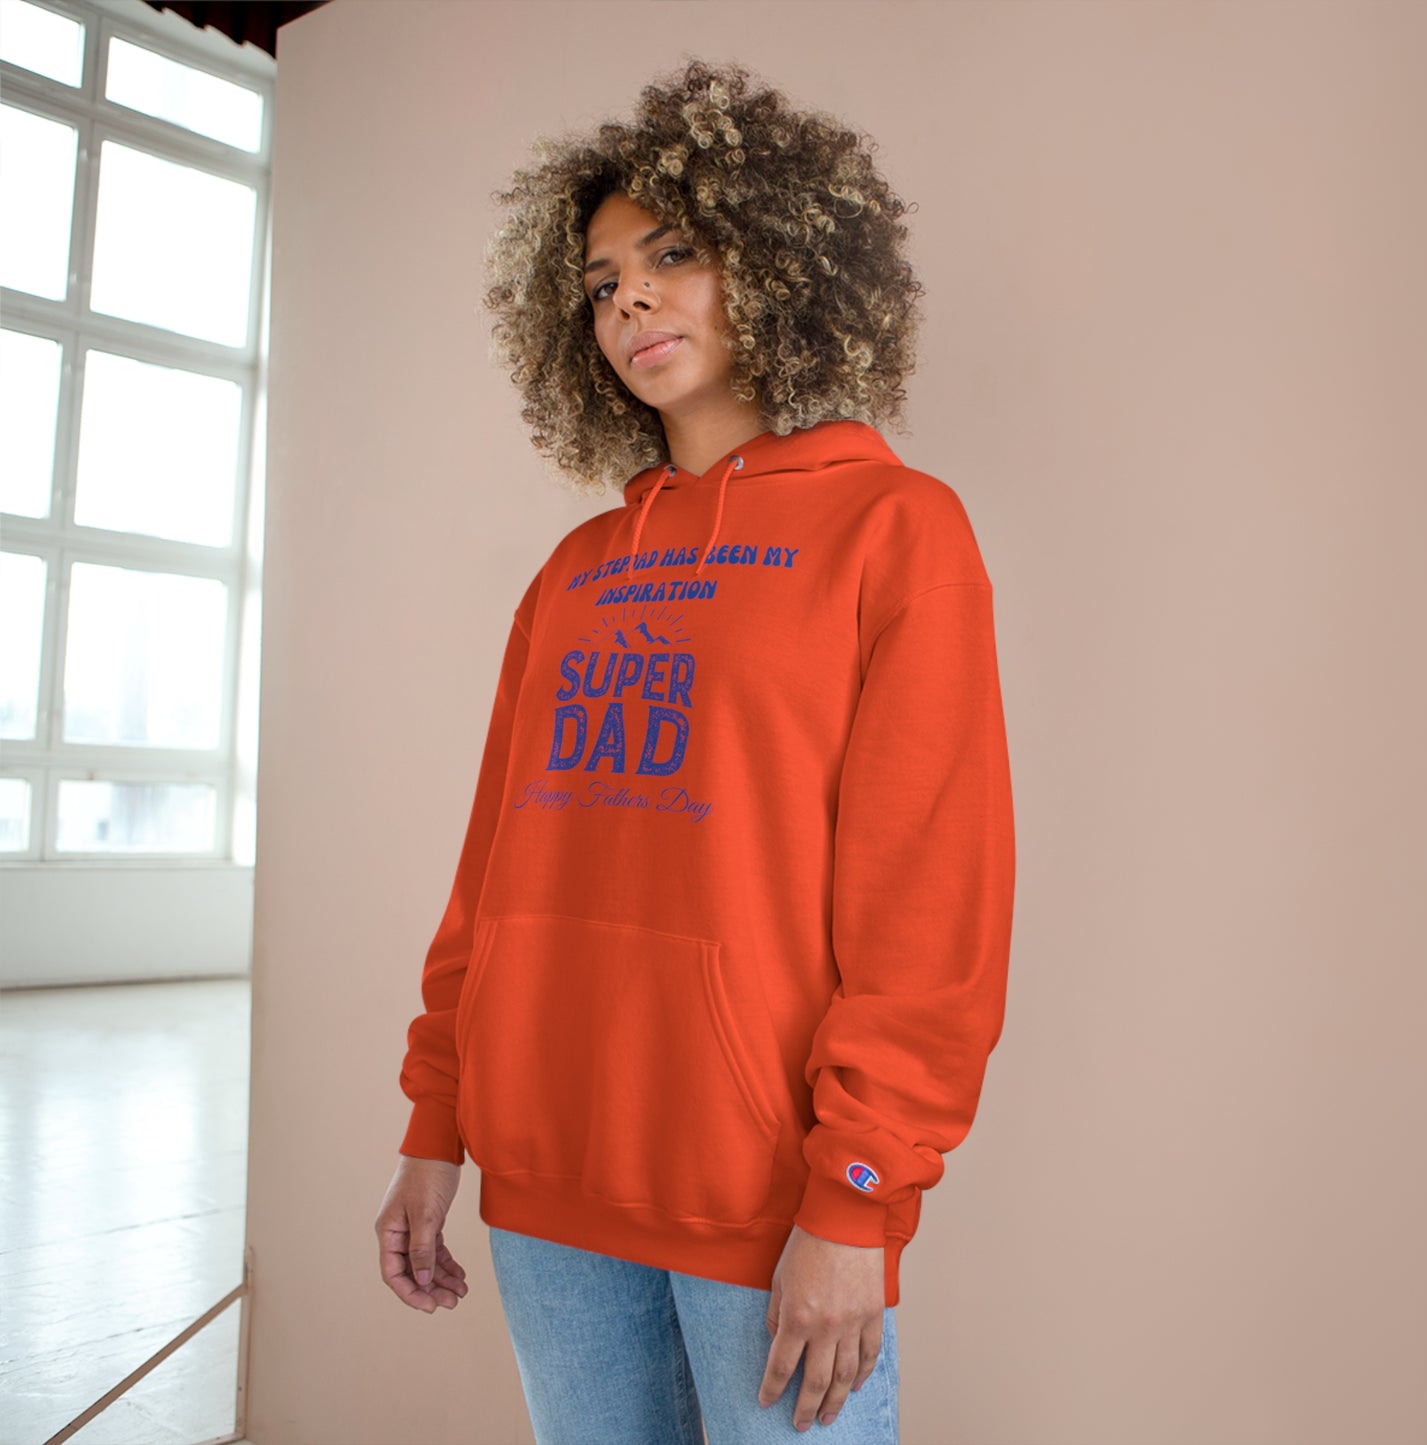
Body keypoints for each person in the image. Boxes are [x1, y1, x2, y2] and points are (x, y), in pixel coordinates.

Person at [373, 56, 1016, 1443]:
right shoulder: (574, 573)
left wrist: (858, 1194)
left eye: (672, 255)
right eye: (601, 281)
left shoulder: (896, 531)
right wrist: (437, 1124)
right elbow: (491, 875)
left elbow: (930, 905)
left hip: (764, 1200)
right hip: (543, 1185)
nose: (631, 301)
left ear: (779, 264)